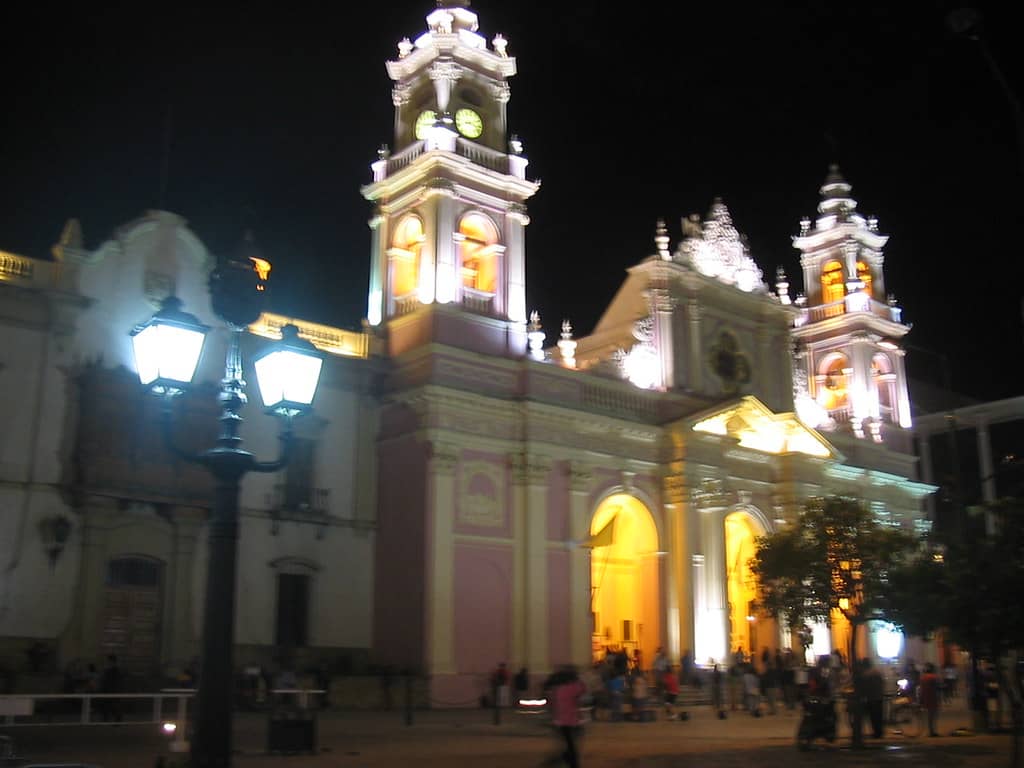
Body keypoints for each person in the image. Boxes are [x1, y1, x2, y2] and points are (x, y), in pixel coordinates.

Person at [544, 665, 586, 768]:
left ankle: (567, 758)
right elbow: (582, 689)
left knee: (569, 742)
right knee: (571, 743)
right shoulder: (573, 687)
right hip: (572, 720)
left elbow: (551, 704)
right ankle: (570, 761)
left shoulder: (557, 689)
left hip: (560, 720)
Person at [862, 658, 885, 739]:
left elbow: (866, 687)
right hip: (879, 697)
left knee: (874, 717)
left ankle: (876, 733)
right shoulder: (877, 672)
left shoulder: (866, 674)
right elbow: (882, 682)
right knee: (879, 716)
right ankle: (879, 732)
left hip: (872, 698)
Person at [919, 662, 941, 737]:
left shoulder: (923, 678)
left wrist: (921, 699)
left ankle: (929, 731)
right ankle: (932, 731)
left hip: (926, 698)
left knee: (928, 716)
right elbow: (937, 688)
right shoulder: (934, 677)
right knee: (933, 716)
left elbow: (921, 690)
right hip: (933, 698)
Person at [99, 655, 122, 722]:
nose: (107, 663)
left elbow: (110, 681)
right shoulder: (110, 671)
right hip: (110, 691)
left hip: (112, 691)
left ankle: (115, 720)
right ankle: (108, 719)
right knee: (108, 706)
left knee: (113, 706)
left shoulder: (114, 671)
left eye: (108, 661)